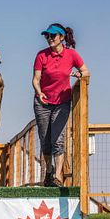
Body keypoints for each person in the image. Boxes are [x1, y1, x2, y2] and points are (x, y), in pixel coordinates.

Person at [32, 23, 90, 187]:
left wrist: (80, 74)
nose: (49, 39)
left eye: (53, 36)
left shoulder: (71, 55)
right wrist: (39, 92)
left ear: (62, 37)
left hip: (62, 103)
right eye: (47, 36)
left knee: (58, 139)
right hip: (42, 102)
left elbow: (86, 71)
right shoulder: (41, 55)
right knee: (45, 140)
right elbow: (36, 80)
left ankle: (58, 177)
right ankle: (49, 172)